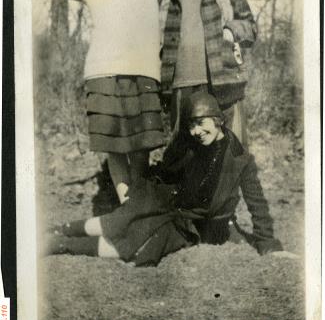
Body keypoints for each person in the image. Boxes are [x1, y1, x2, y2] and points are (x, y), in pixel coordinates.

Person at [44, 92, 284, 267]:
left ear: (218, 120)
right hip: (165, 202)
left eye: (201, 124)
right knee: (120, 222)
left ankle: (60, 245)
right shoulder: (190, 145)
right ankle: (61, 230)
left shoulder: (241, 159)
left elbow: (257, 203)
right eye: (191, 126)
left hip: (190, 225)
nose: (196, 132)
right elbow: (168, 170)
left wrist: (268, 244)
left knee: (136, 249)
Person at [40, 0, 169, 203]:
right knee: (114, 146)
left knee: (141, 145)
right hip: (103, 71)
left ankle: (140, 207)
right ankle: (127, 207)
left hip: (144, 72)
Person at [160, 0, 257, 148]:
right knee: (185, 154)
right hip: (180, 86)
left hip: (221, 82)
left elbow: (251, 28)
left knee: (230, 149)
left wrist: (232, 29)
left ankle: (235, 185)